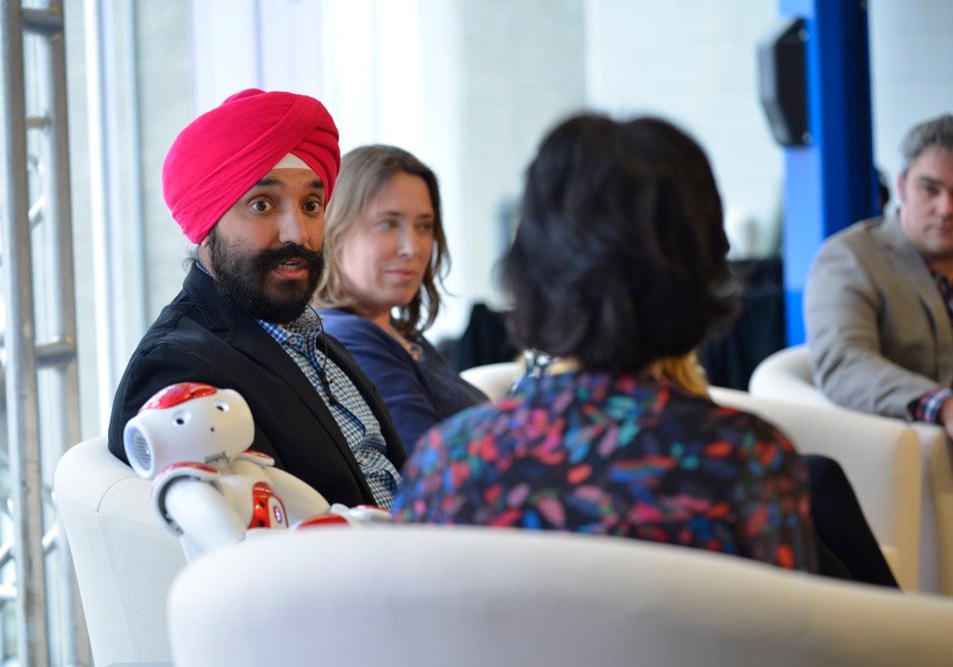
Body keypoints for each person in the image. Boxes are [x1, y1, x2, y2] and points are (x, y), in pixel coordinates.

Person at [392, 113, 819, 572]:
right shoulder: (745, 460)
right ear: (703, 269)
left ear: (532, 267)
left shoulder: (450, 462)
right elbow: (794, 638)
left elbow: (404, 627)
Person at [107, 89, 406, 509]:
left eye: (311, 205)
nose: (297, 233)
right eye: (262, 205)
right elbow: (247, 550)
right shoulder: (176, 368)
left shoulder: (312, 340)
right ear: (206, 224)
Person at [314, 145, 487, 453]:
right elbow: (432, 463)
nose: (413, 247)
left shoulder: (396, 332)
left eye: (424, 226)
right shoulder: (348, 339)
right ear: (336, 231)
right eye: (388, 224)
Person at [805, 114, 953, 438]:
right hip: (911, 458)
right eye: (931, 190)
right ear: (901, 186)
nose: (946, 209)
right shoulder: (849, 258)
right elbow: (844, 362)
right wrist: (942, 405)